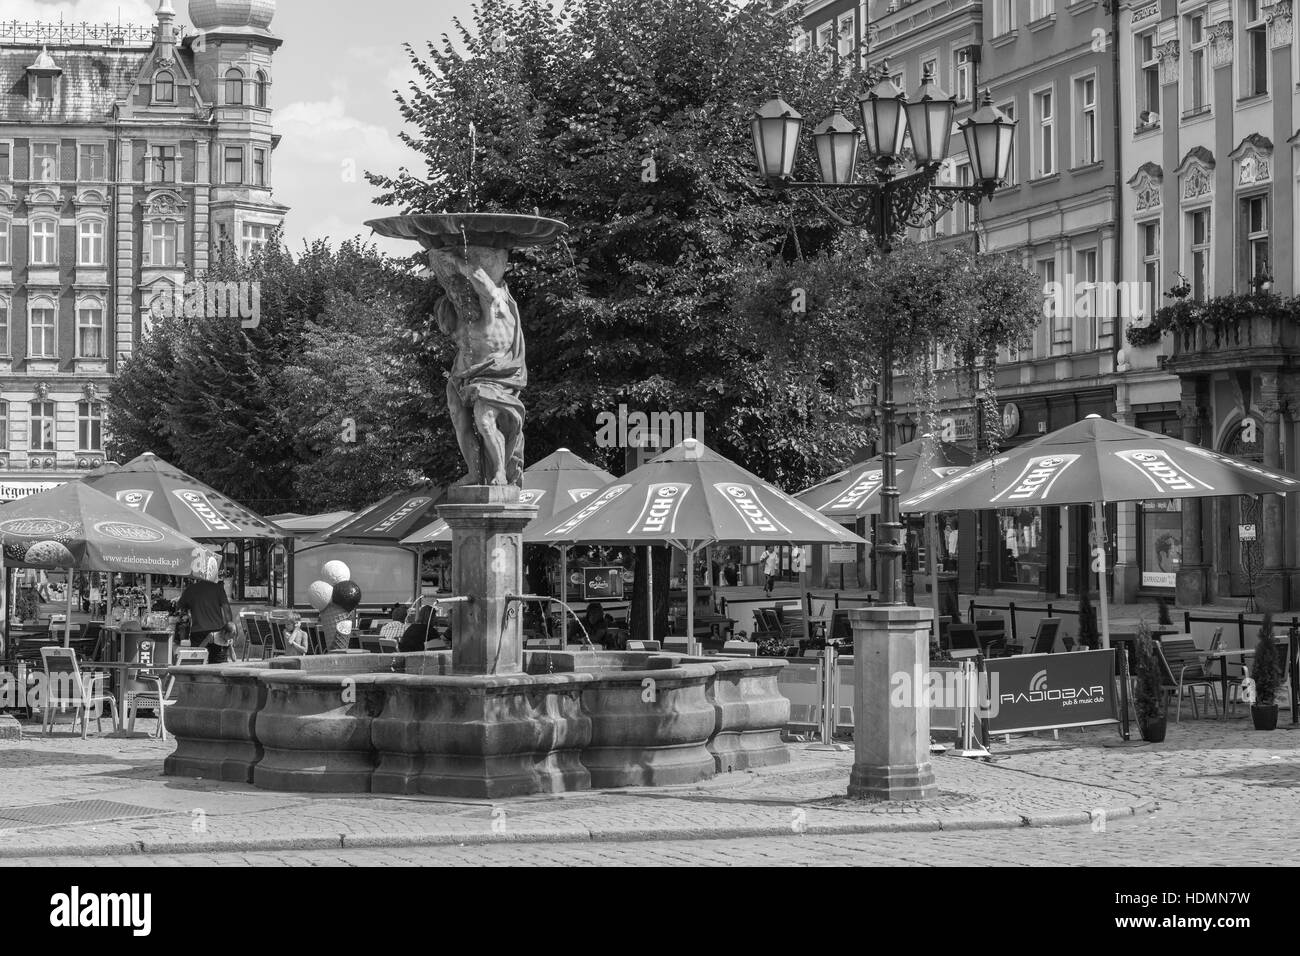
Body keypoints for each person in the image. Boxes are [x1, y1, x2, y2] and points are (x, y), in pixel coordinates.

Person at [176, 569, 235, 664]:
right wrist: (230, 628)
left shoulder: (190, 589)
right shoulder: (218, 589)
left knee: (197, 661)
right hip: (217, 631)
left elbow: (179, 608)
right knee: (218, 662)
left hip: (198, 631)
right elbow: (227, 611)